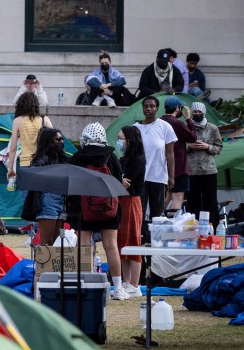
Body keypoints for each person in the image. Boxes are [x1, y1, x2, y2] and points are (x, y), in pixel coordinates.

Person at [68, 123, 126, 299]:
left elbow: (71, 184)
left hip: (83, 208)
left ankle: (84, 283)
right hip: (109, 207)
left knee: (83, 246)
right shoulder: (111, 156)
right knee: (111, 246)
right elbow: (118, 182)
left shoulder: (78, 157)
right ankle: (118, 288)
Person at [134, 95, 177, 221]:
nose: (148, 109)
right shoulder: (135, 128)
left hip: (158, 176)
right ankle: (141, 233)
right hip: (140, 177)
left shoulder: (165, 126)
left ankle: (155, 234)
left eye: (152, 106)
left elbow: (170, 154)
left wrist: (171, 177)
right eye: (146, 106)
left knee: (157, 212)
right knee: (139, 211)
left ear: (157, 108)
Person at [116, 125, 147, 298]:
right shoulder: (124, 159)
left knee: (133, 242)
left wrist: (120, 179)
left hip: (131, 202)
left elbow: (126, 182)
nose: (118, 141)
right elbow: (120, 180)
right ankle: (126, 282)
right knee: (122, 243)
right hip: (122, 201)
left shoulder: (138, 159)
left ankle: (135, 284)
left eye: (120, 138)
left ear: (129, 140)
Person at [27, 127, 69, 248]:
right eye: (58, 139)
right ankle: (45, 261)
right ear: (49, 141)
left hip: (62, 201)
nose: (61, 142)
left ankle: (54, 261)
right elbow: (33, 174)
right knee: (47, 243)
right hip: (48, 200)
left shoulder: (63, 158)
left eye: (62, 139)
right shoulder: (42, 158)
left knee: (58, 243)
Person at [186, 101, 223, 225]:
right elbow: (178, 147)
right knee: (192, 202)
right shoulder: (187, 127)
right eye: (194, 111)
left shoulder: (213, 128)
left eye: (199, 111)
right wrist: (190, 146)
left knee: (210, 201)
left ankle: (213, 227)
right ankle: (193, 229)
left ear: (204, 112)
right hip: (191, 171)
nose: (197, 113)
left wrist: (207, 146)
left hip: (209, 170)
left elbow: (219, 148)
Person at [6, 91, 52, 183]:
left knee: (26, 191)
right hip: (43, 163)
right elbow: (56, 140)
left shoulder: (17, 121)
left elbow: (13, 147)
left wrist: (10, 169)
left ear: (20, 105)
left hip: (25, 163)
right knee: (41, 190)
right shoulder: (45, 119)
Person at [160, 96, 196, 213]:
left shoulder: (159, 122)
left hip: (163, 166)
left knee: (167, 197)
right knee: (178, 198)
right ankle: (173, 222)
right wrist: (189, 119)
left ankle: (157, 217)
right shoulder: (177, 123)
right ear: (177, 108)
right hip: (179, 166)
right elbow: (192, 138)